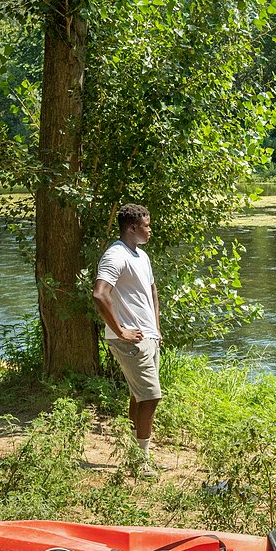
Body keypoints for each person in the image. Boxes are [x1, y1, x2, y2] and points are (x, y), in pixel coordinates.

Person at [92, 204, 162, 476]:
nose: (150, 229)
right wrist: (121, 331)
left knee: (139, 395)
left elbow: (152, 290)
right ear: (132, 228)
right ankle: (141, 461)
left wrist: (155, 327)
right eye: (146, 225)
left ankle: (135, 453)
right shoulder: (115, 255)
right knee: (151, 397)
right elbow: (100, 294)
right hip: (130, 340)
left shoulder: (141, 256)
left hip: (148, 337)